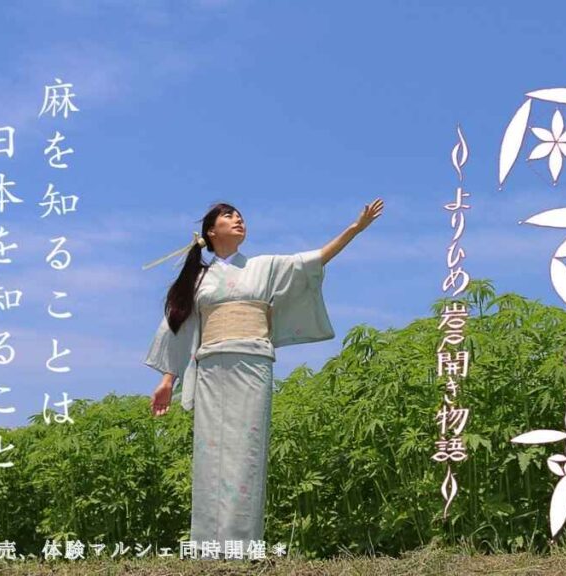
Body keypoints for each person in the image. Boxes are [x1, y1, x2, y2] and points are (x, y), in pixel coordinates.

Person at [142, 198, 384, 555]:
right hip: (211, 367)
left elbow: (313, 261)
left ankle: (241, 545)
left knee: (247, 453)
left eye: (240, 216)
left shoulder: (265, 266)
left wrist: (355, 228)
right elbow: (178, 327)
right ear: (211, 231)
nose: (237, 219)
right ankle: (208, 547)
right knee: (210, 453)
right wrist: (168, 381)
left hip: (253, 364)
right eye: (228, 216)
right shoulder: (199, 279)